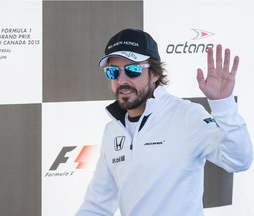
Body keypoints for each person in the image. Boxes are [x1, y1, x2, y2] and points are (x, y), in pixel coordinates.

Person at [76, 28, 253, 216]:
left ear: (155, 74)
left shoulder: (186, 115)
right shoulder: (112, 130)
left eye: (133, 69)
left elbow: (238, 161)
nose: (122, 80)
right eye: (113, 72)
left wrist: (223, 105)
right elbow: (97, 205)